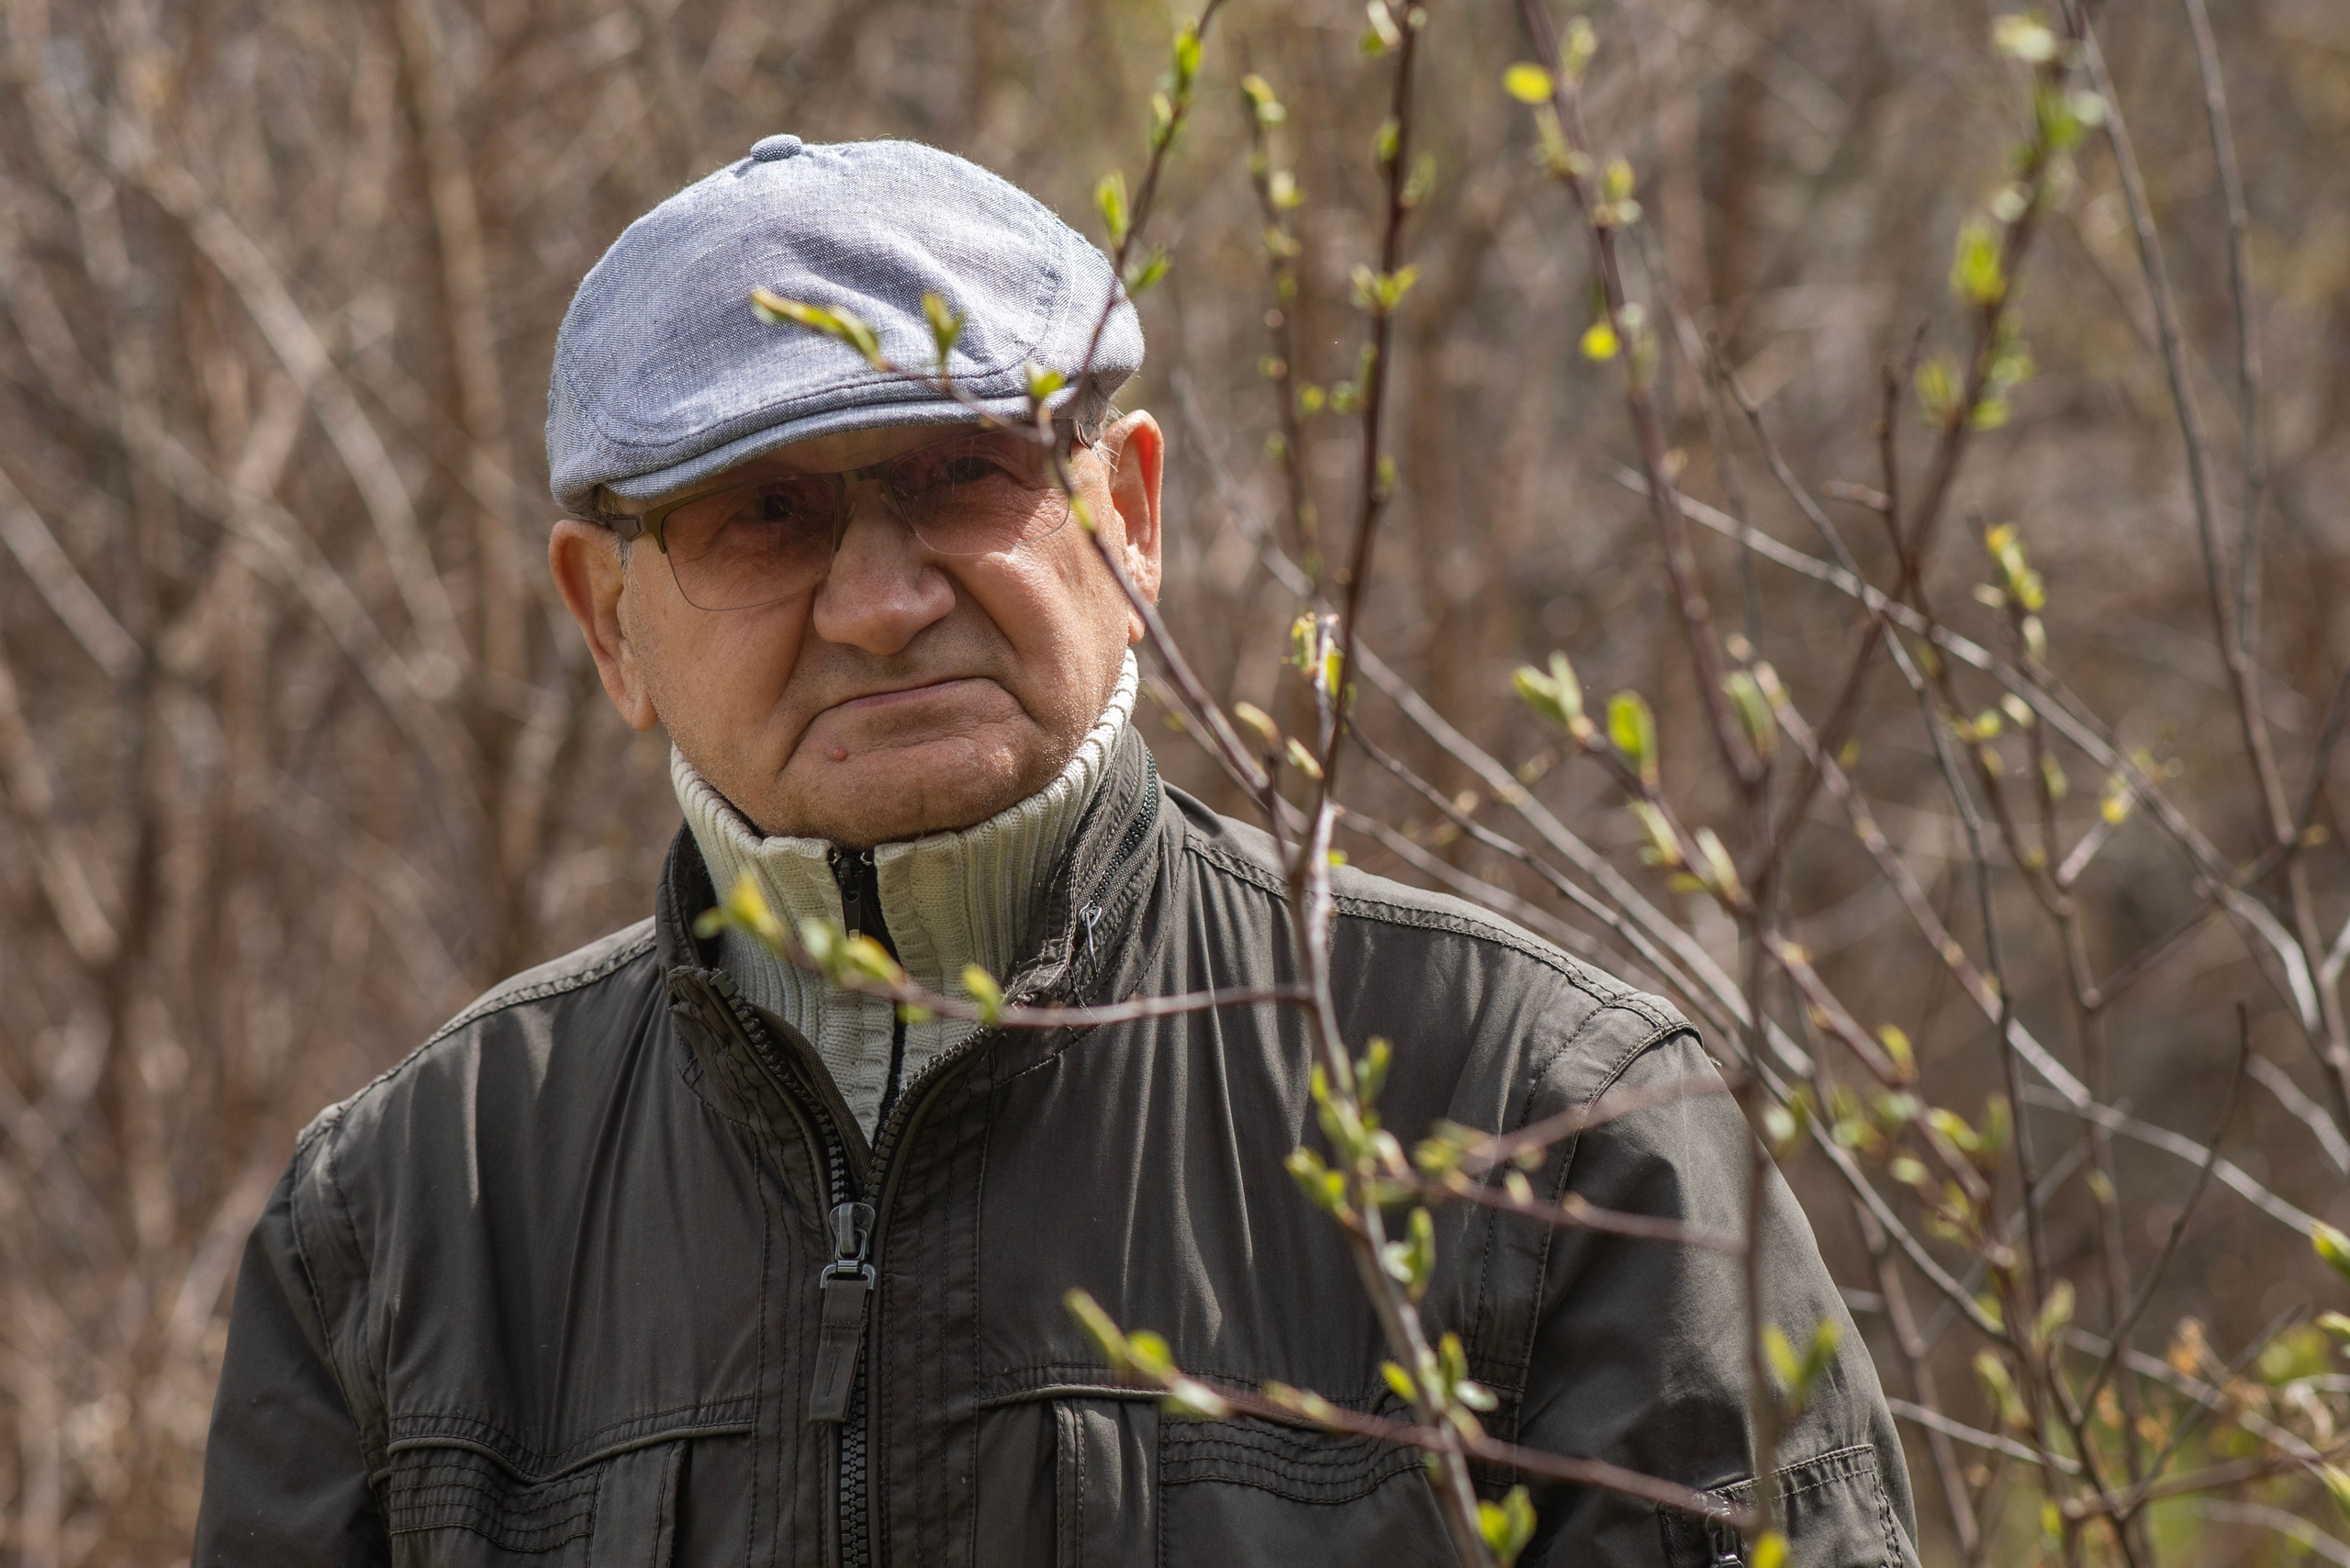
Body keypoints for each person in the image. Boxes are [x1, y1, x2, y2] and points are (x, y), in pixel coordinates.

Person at [194, 135, 1916, 1567]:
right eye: (764, 515)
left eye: (964, 475)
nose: (882, 601)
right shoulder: (400, 1227)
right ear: (607, 622)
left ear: (1132, 515)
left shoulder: (1556, 1132)